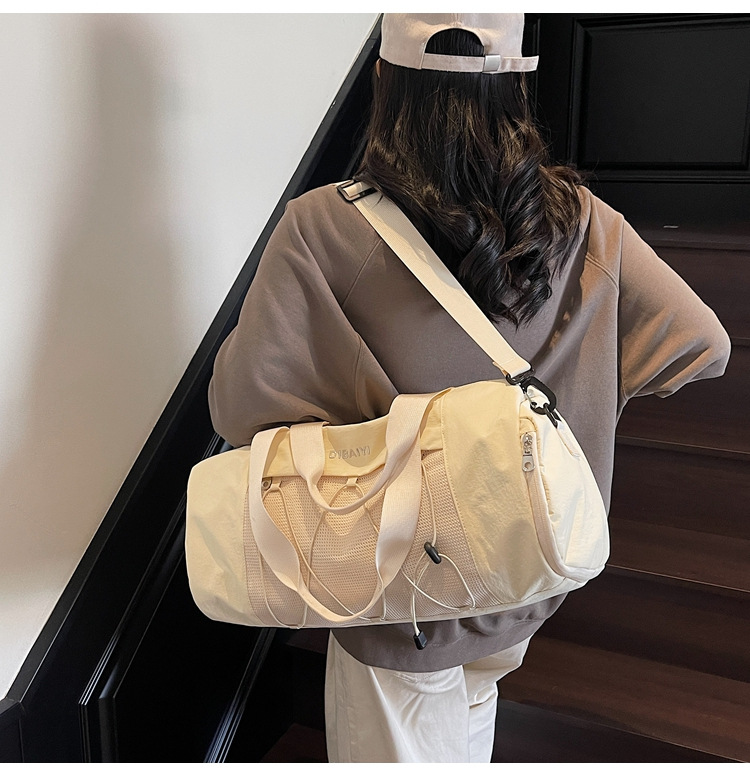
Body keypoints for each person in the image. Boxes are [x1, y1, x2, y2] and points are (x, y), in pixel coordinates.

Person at [207, 13, 731, 764]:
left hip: (401, 588)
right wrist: (580, 387)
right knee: (473, 719)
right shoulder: (582, 220)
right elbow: (703, 343)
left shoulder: (324, 227)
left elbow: (241, 409)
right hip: (526, 560)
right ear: (517, 87)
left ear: (383, 81)